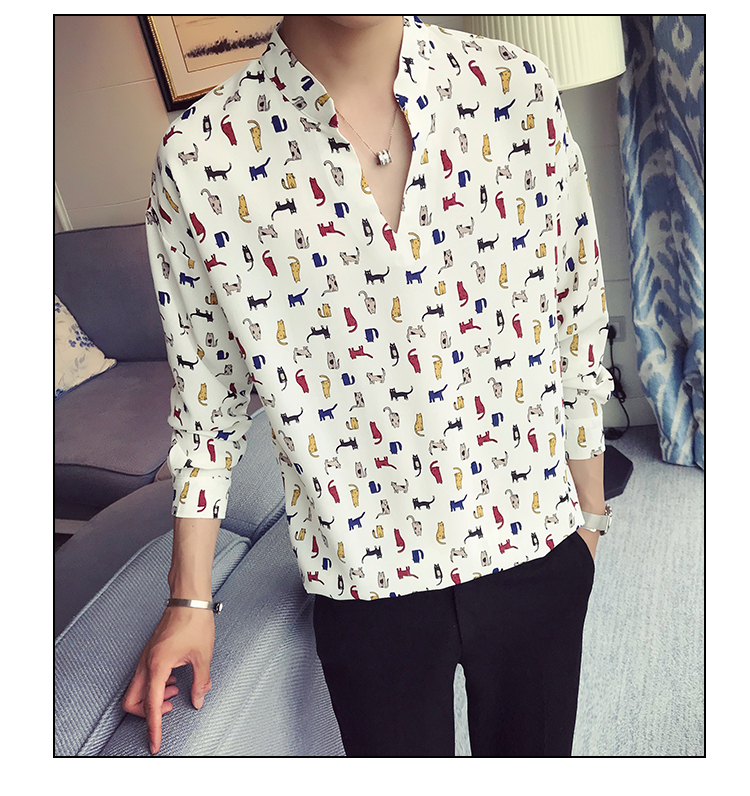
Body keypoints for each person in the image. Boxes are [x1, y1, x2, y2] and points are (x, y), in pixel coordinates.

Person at [123, 14, 614, 757]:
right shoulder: (200, 160)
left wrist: (590, 521)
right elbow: (207, 406)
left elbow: (574, 326)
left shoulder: (515, 91)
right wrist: (189, 596)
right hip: (365, 591)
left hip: (538, 549)